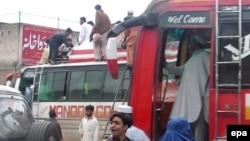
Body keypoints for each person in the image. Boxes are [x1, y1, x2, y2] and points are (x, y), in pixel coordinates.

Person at [166, 34, 210, 141]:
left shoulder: (205, 56)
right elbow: (180, 70)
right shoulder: (193, 58)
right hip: (189, 98)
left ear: (197, 44)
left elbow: (212, 73)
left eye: (191, 43)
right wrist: (166, 66)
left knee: (199, 129)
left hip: (200, 97)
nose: (189, 45)